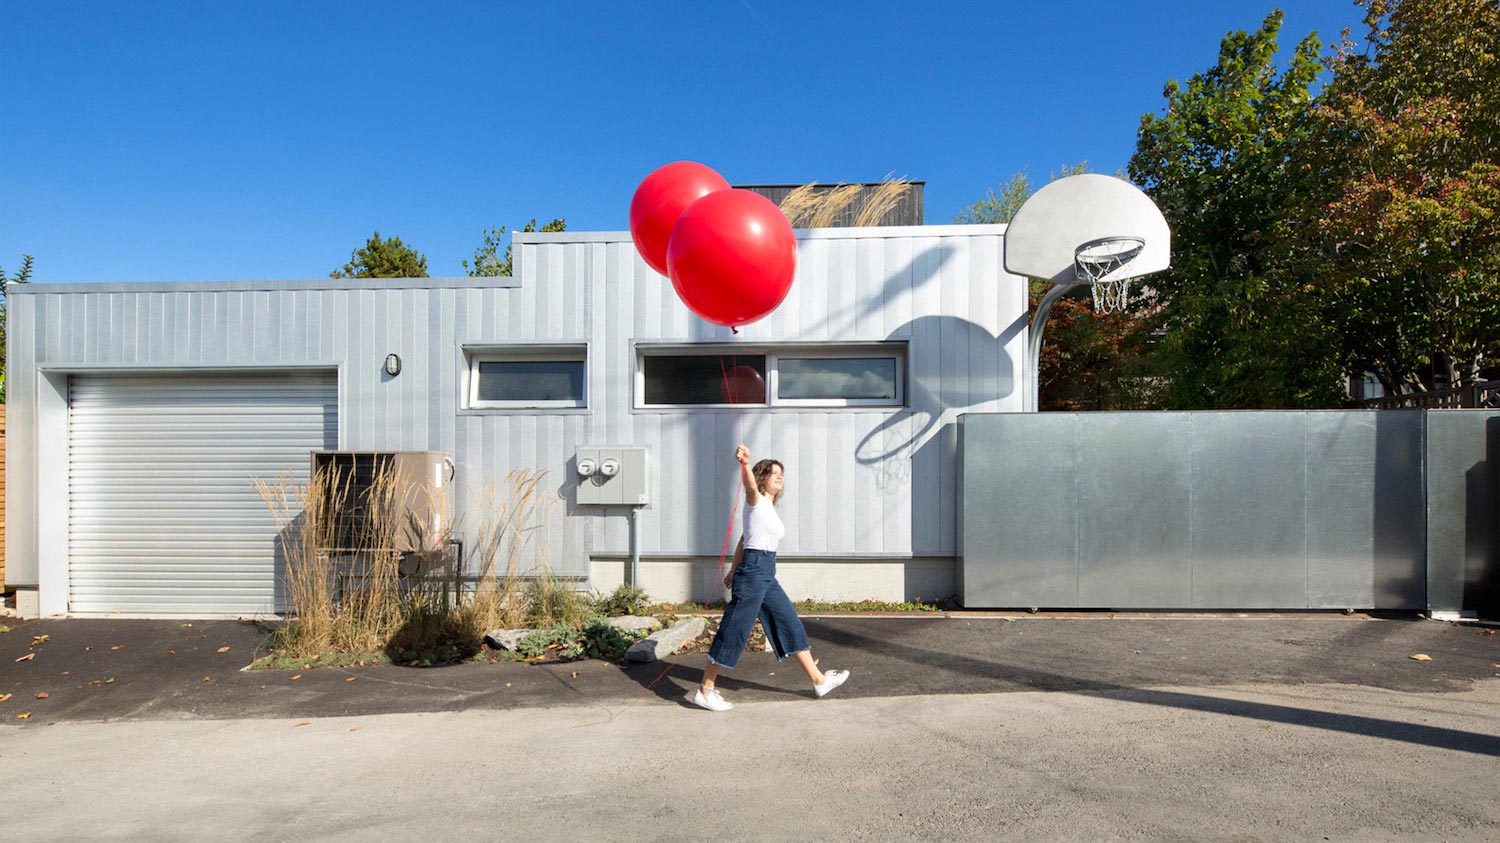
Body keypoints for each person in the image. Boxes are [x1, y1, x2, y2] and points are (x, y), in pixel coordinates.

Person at [692, 443, 850, 712]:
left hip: (765, 571)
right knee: (735, 629)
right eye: (773, 472)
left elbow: (744, 539)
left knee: (789, 622)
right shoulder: (755, 500)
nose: (780, 476)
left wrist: (732, 569)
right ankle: (706, 690)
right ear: (761, 476)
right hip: (754, 572)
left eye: (782, 473)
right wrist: (745, 464)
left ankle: (818, 680)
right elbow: (750, 488)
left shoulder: (767, 508)